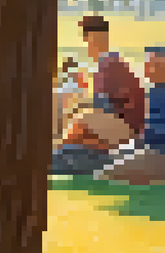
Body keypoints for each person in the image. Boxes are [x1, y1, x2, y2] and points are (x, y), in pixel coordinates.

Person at [53, 15, 146, 175]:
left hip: (129, 129)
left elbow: (105, 107)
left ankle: (58, 154)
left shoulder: (110, 64)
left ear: (98, 37)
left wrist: (78, 112)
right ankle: (63, 156)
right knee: (80, 126)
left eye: (88, 35)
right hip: (119, 126)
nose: (86, 41)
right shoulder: (106, 64)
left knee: (81, 119)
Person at [96, 45, 165, 184]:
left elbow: (156, 136)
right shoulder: (154, 91)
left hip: (158, 155)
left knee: (105, 173)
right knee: (110, 158)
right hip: (149, 150)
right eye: (146, 65)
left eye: (151, 65)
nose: (146, 71)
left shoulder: (158, 93)